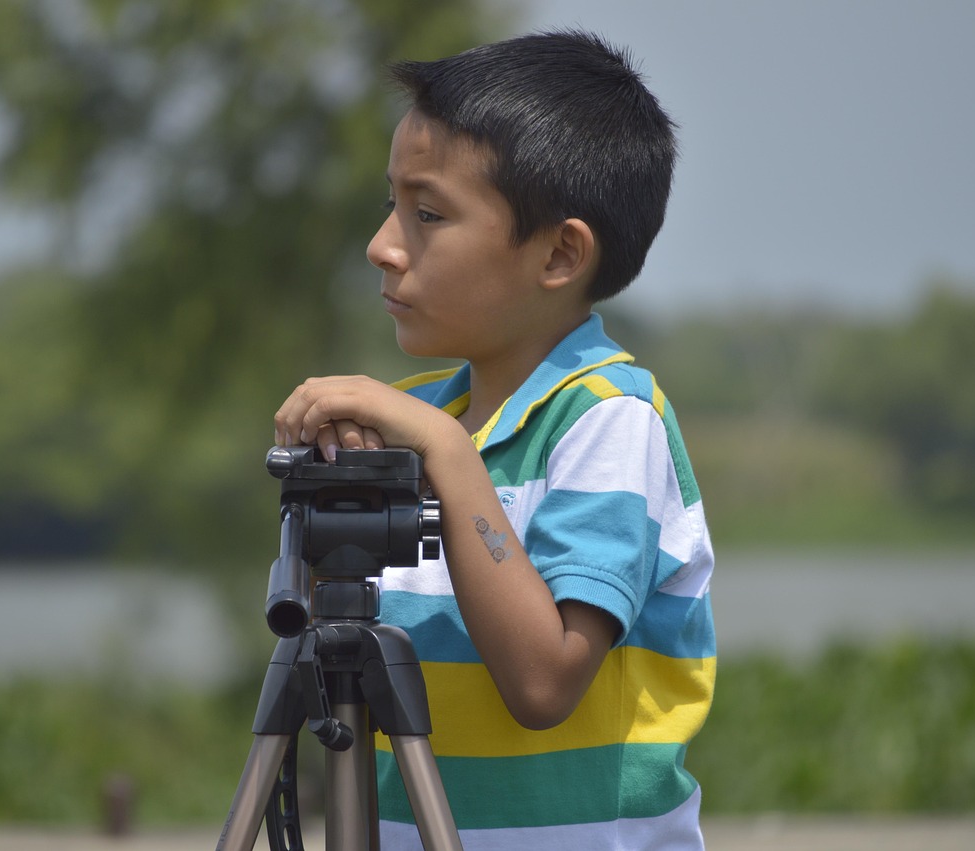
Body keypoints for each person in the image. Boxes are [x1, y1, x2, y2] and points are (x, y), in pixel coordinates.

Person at [272, 29, 715, 851]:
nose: (383, 244)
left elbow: (544, 681)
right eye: (391, 204)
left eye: (428, 214)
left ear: (559, 252)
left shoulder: (610, 417)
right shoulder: (418, 422)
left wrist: (446, 452)